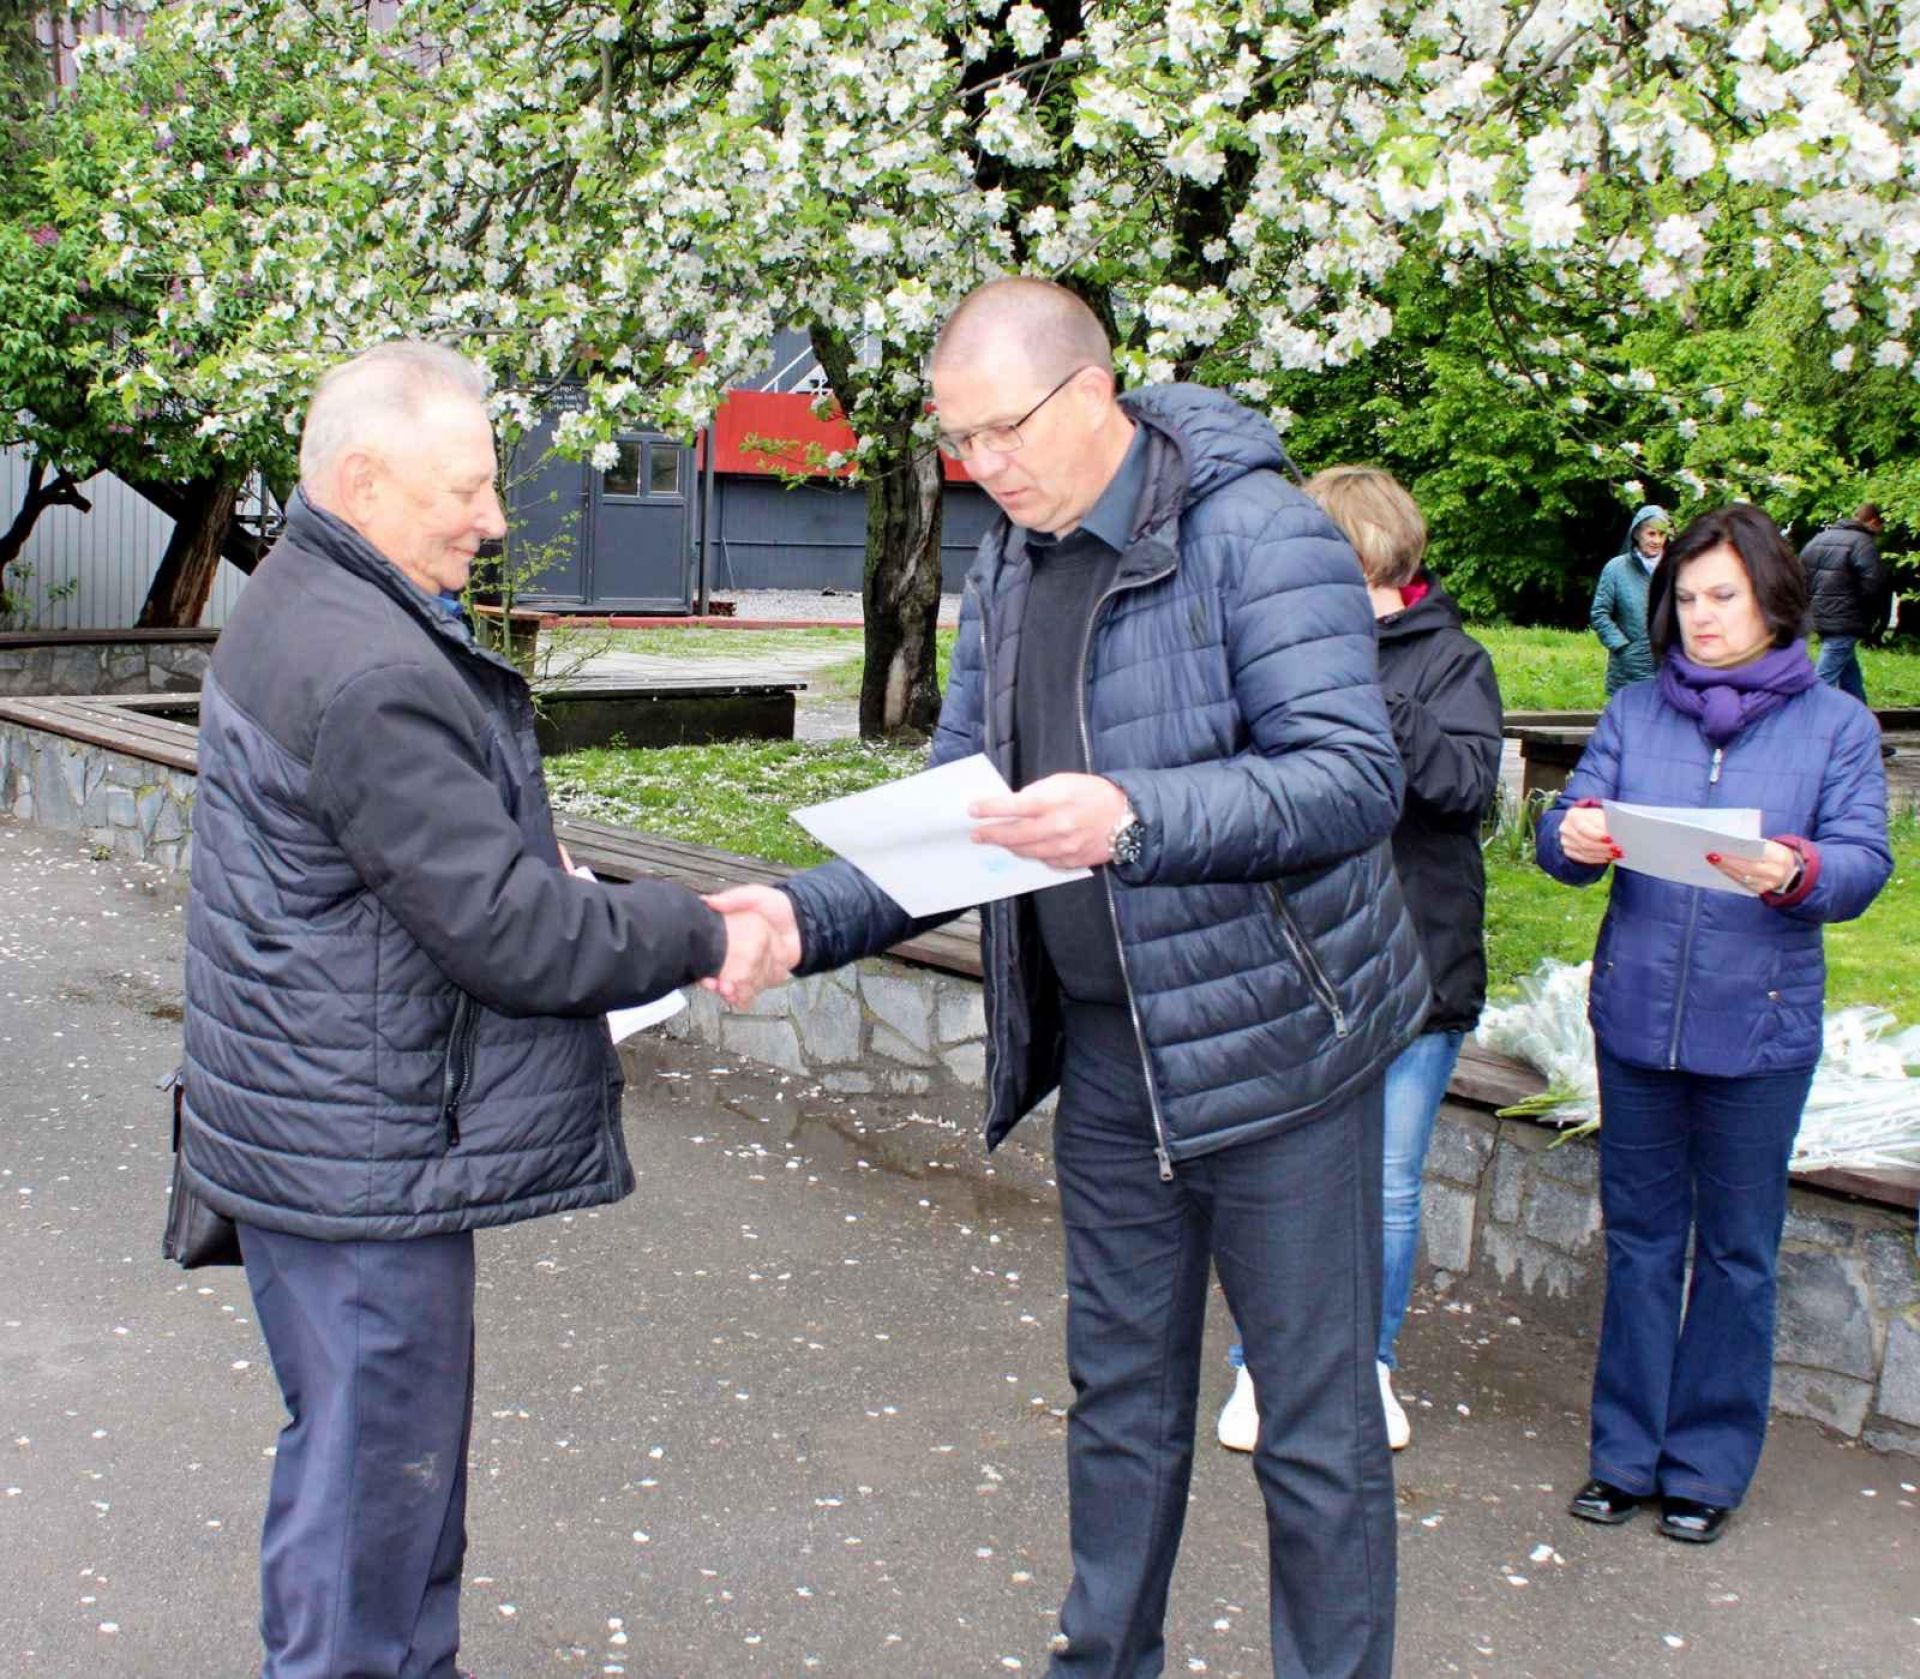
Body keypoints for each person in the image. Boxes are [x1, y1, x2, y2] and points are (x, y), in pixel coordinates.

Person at [715, 278, 1428, 1679]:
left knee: (1316, 1426)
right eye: (958, 441)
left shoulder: (1262, 532)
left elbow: (1352, 779)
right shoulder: (1011, 561)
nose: (981, 466)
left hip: (1281, 1052)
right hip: (1110, 1056)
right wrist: (800, 914)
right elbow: (960, 815)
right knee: (1119, 1400)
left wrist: (1134, 816)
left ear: (1093, 392)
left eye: (1003, 432)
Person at [178, 341, 782, 1678]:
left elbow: (399, 858)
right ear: (363, 482)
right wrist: (701, 926)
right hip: (357, 1155)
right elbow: (506, 929)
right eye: (467, 488)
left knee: (373, 1494)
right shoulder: (367, 665)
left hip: (318, 1122)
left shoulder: (305, 600)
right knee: (371, 1525)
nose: (495, 518)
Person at [1537, 503, 1891, 1546]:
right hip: (1638, 1017)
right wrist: (1571, 834)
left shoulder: (1834, 725)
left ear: (1773, 599)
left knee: (1738, 1252)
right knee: (1642, 1242)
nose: (1701, 615)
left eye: (1722, 595)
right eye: (1686, 597)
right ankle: (1623, 1455)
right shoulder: (1636, 711)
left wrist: (1797, 867)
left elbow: (1863, 863)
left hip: (1760, 1030)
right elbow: (1566, 832)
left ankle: (1705, 1466)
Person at [1216, 468, 1503, 1457]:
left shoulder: (1452, 659)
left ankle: (1366, 1367)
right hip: (1292, 961)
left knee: (1386, 1181)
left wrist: (1373, 694)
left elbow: (1466, 789)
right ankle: (1261, 1365)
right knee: (1277, 1176)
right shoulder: (1271, 653)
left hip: (1414, 963)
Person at [1800, 502, 1891, 705]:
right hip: (1847, 617)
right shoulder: (1863, 543)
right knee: (1823, 678)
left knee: (1849, 674)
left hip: (1820, 615)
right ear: (1873, 522)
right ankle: (1802, 717)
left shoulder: (1819, 539)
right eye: (1881, 526)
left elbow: (1801, 576)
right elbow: (1874, 583)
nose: (1880, 531)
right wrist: (1870, 614)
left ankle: (1860, 716)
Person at [1589, 504, 1671, 694]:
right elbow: (1600, 613)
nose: (1657, 540)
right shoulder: (1616, 569)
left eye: (1661, 534)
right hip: (1628, 669)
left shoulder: (1675, 568)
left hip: (1669, 667)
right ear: (1636, 534)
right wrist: (1622, 647)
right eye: (1651, 534)